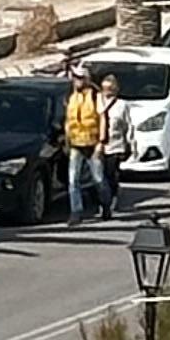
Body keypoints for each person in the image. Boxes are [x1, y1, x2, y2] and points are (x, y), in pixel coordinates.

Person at [61, 61, 104, 223]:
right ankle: (76, 212)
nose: (76, 80)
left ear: (86, 79)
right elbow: (67, 119)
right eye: (75, 77)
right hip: (75, 144)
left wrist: (101, 142)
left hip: (92, 144)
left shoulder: (95, 95)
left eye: (80, 77)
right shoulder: (70, 95)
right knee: (73, 180)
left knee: (98, 180)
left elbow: (102, 118)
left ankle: (105, 203)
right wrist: (67, 141)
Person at [97, 75, 133, 216]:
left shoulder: (122, 105)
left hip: (115, 145)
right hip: (98, 146)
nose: (107, 92)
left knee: (110, 174)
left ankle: (112, 198)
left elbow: (127, 126)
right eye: (105, 89)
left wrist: (129, 143)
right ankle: (103, 202)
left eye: (110, 89)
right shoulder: (97, 101)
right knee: (99, 177)